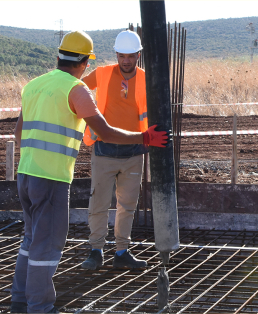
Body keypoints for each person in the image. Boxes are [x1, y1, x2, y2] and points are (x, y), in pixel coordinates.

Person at [10, 30, 168, 313]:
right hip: (51, 178)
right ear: (84, 62)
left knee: (31, 240)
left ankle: (20, 300)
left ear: (59, 56)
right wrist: (144, 138)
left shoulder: (33, 85)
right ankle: (40, 307)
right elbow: (104, 132)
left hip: (25, 174)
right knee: (47, 245)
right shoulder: (75, 89)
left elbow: (18, 136)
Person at [79, 30, 151, 271]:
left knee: (127, 205)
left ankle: (121, 251)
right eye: (122, 56)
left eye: (131, 56)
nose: (126, 61)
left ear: (138, 55)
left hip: (134, 151)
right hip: (104, 150)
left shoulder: (145, 79)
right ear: (116, 55)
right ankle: (95, 251)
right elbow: (75, 85)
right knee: (98, 203)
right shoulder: (102, 73)